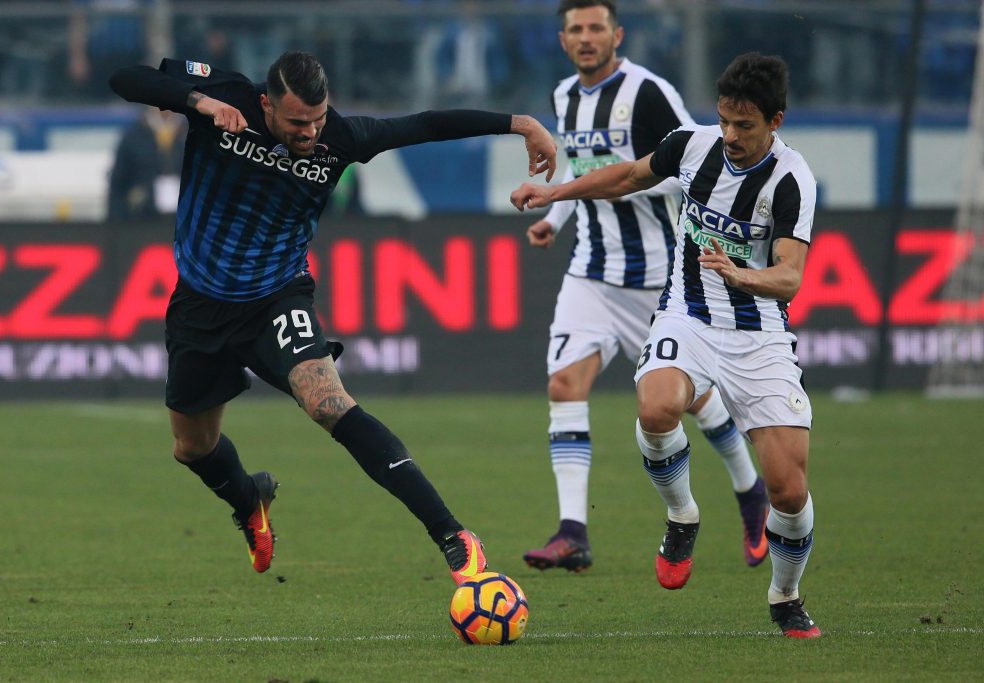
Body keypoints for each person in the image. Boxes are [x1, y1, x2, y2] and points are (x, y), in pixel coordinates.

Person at [109, 51, 556, 584]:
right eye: (297, 121)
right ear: (265, 104)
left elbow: (426, 125)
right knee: (192, 447)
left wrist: (520, 124)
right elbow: (127, 78)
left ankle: (454, 536)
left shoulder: (341, 138)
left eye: (318, 119)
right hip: (199, 304)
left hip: (276, 297)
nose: (310, 132)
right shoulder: (226, 96)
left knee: (329, 402)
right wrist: (198, 103)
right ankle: (250, 500)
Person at [511, 52, 821, 638]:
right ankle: (682, 515)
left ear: (774, 121)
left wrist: (740, 275)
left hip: (760, 337)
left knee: (790, 489)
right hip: (687, 314)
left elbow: (790, 276)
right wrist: (557, 195)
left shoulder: (792, 180)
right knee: (655, 407)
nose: (729, 135)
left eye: (745, 126)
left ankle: (785, 595)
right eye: (726, 120)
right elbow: (628, 176)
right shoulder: (693, 146)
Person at [521, 0, 769, 575]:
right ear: (563, 40)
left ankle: (749, 489)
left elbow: (694, 167)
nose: (587, 38)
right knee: (563, 384)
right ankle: (572, 533)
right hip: (592, 272)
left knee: (697, 402)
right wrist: (554, 220)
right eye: (576, 30)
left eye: (596, 28)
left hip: (662, 280)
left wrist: (625, 180)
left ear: (617, 35)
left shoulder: (648, 94)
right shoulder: (564, 97)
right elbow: (574, 170)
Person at [107, 107, 187, 221]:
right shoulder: (133, 134)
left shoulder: (192, 130)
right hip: (143, 217)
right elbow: (118, 182)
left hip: (186, 217)